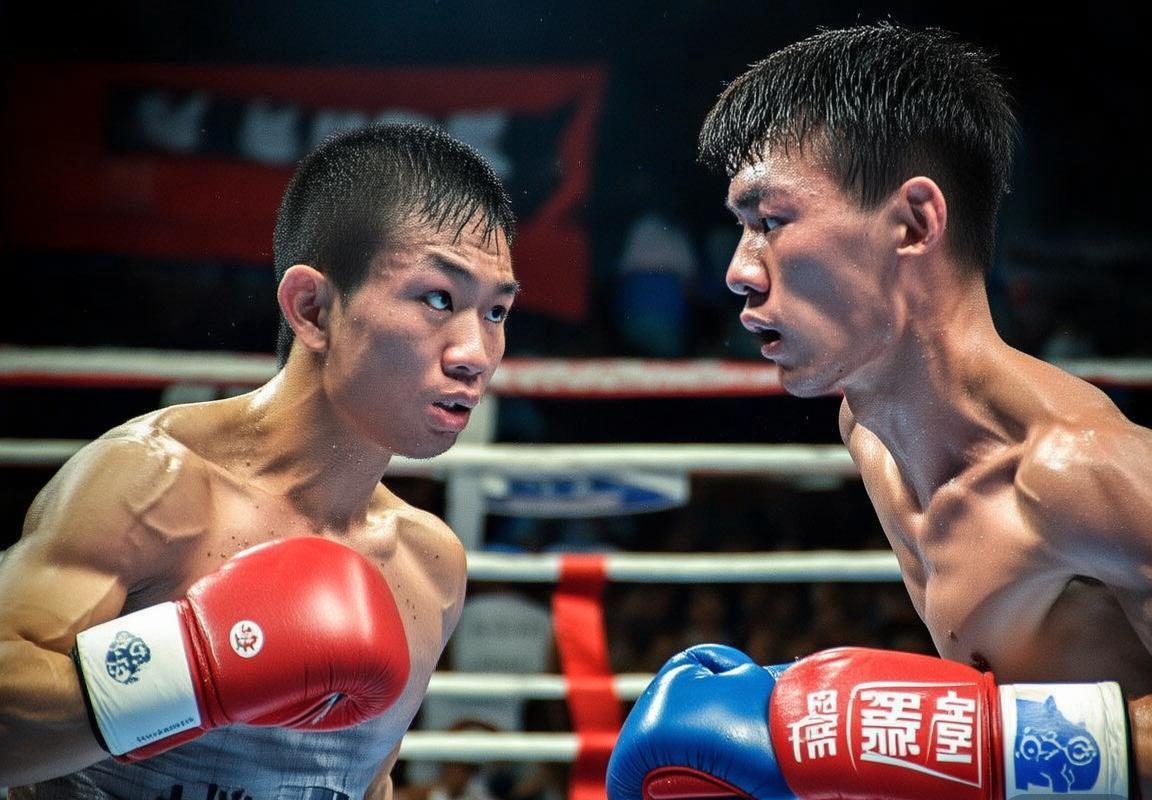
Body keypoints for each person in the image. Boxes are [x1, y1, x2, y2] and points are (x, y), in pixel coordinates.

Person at [608, 22, 1151, 799]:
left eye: (770, 222)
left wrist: (970, 744)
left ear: (914, 223)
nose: (737, 271)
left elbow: (984, 742)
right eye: (740, 228)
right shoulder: (869, 433)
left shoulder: (1082, 471)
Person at [0, 121, 519, 798]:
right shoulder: (153, 484)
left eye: (496, 312)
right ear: (313, 308)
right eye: (438, 298)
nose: (474, 353)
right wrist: (195, 668)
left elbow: (362, 783)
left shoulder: (429, 566)